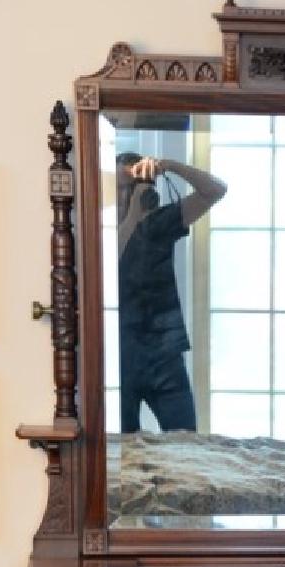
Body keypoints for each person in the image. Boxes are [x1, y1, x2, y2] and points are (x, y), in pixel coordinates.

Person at [116, 153, 227, 432]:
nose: (128, 193)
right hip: (117, 355)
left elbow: (216, 190)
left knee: (186, 446)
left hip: (165, 353)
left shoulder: (159, 223)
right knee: (120, 451)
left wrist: (171, 165)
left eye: (134, 185)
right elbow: (117, 252)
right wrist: (133, 213)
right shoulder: (94, 228)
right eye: (122, 186)